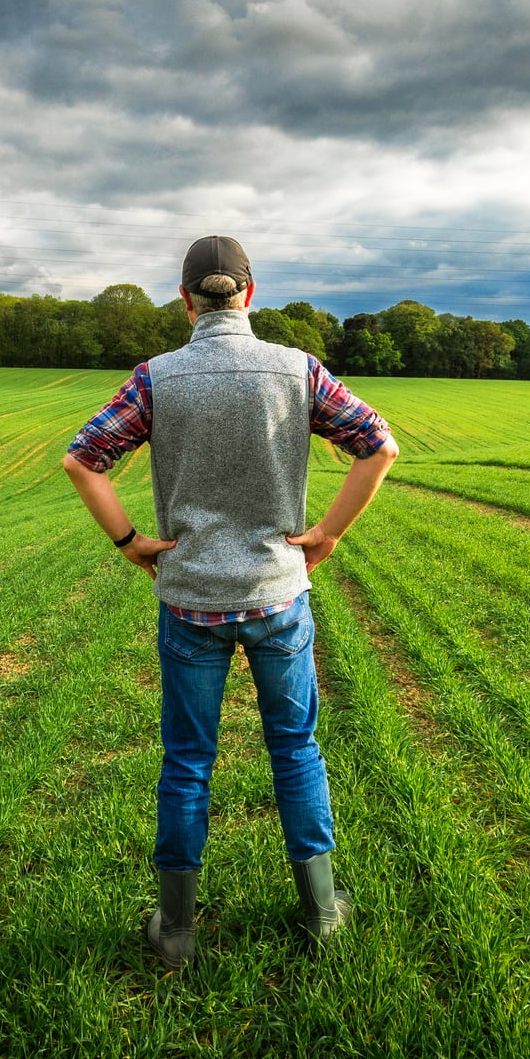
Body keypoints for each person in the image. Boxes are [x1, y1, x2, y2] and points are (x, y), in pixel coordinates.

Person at [61, 235, 399, 971]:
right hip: (278, 595)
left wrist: (129, 542)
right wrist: (328, 534)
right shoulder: (298, 370)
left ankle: (176, 931)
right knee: (296, 749)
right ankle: (320, 913)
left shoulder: (156, 379)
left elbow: (81, 458)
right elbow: (378, 445)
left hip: (188, 601)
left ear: (185, 301)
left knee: (187, 760)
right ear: (249, 293)